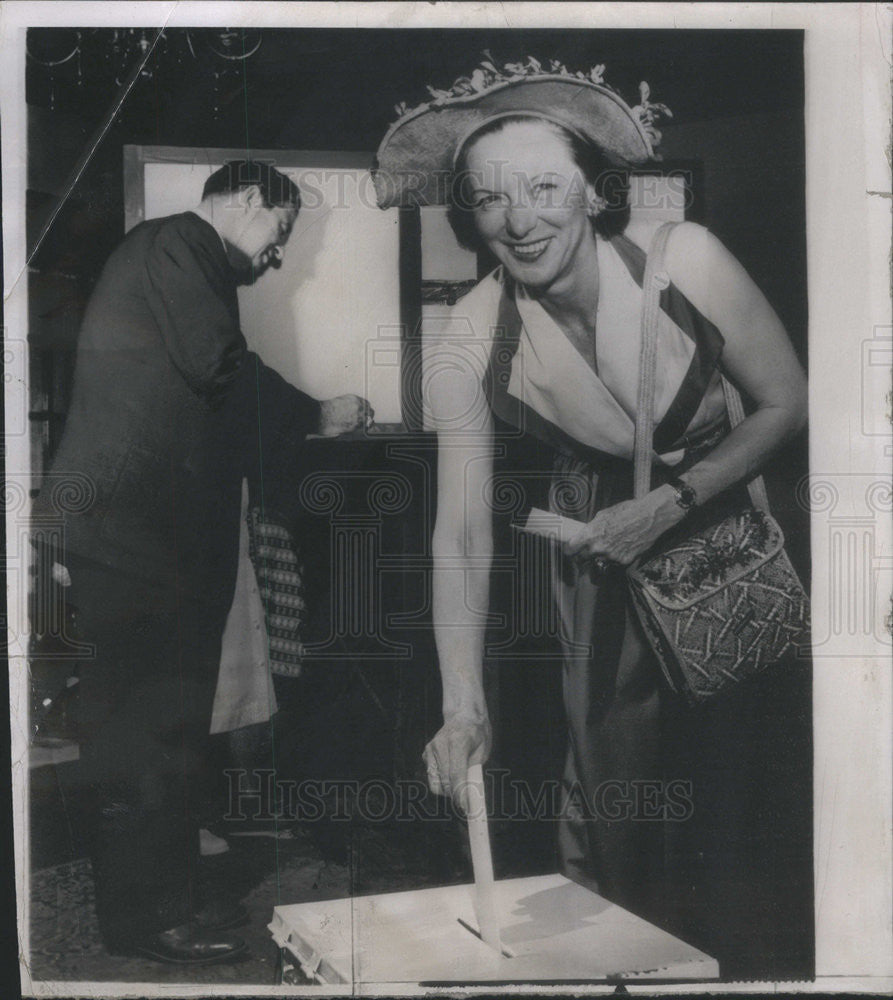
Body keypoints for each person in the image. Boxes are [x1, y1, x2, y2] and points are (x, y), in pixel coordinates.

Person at [374, 58, 808, 917]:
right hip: (595, 530)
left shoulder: (683, 258)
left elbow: (785, 403)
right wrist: (462, 704)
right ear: (469, 211)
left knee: (750, 768)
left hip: (734, 503)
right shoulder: (465, 333)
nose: (520, 218)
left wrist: (672, 503)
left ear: (591, 189)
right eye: (491, 197)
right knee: (610, 769)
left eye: (543, 186)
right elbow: (459, 534)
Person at [32, 160, 372, 964]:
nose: (278, 257)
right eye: (281, 234)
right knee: (154, 736)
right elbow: (220, 367)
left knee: (157, 733)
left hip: (138, 546)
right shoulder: (183, 242)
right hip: (138, 547)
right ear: (250, 203)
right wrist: (321, 410)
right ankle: (151, 922)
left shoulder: (166, 256)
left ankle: (154, 909)